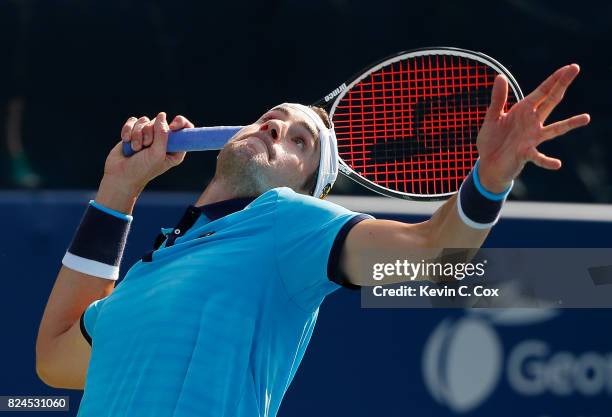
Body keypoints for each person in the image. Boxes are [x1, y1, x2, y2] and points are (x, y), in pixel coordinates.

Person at [36, 65, 589, 417]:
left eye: (300, 139)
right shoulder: (145, 277)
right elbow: (56, 359)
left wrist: (489, 179)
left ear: (308, 187)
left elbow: (433, 257)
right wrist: (117, 191)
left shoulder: (288, 222)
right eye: (272, 121)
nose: (276, 128)